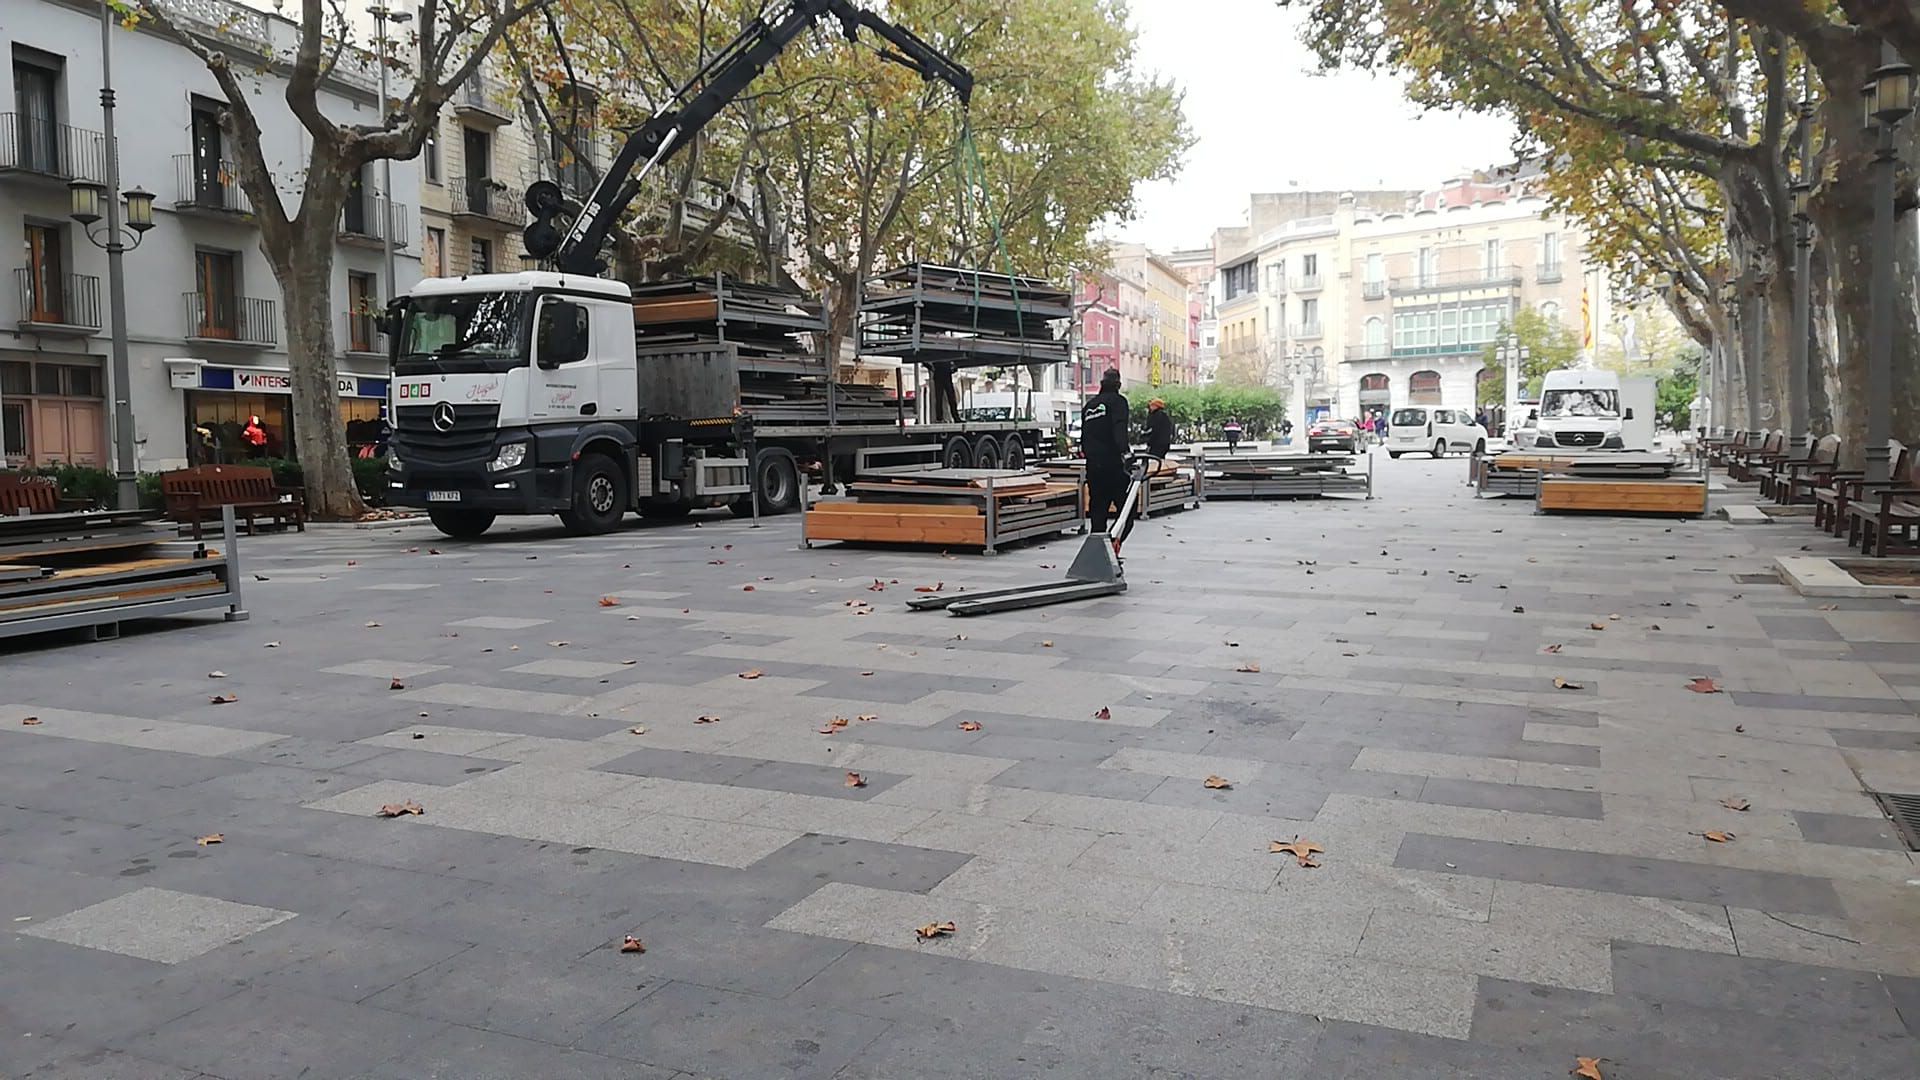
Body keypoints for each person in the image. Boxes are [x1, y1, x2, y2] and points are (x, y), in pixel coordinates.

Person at [1080, 369, 1131, 540]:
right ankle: (1113, 543)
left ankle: (1098, 549)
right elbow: (1119, 429)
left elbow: (1084, 436)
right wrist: (1126, 453)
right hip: (1113, 466)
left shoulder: (1090, 406)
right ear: (1118, 384)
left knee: (1098, 512)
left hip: (1094, 467)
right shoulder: (1118, 402)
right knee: (1126, 512)